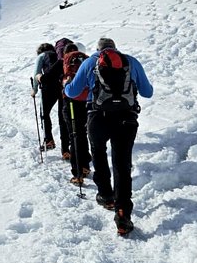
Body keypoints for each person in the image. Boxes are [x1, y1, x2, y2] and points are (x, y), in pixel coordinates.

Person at [64, 37, 153, 236]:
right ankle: (122, 213)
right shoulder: (131, 61)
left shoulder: (89, 63)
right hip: (126, 118)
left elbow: (72, 92)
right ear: (115, 48)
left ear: (98, 49)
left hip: (97, 116)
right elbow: (148, 92)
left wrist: (67, 83)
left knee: (98, 151)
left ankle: (105, 194)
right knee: (122, 162)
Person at [61, 43, 92, 184]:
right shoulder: (86, 60)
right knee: (83, 134)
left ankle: (77, 174)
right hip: (87, 101)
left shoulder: (64, 62)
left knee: (74, 135)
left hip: (72, 102)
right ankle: (85, 166)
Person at [30, 42, 61, 151]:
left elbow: (36, 73)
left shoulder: (41, 56)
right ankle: (67, 147)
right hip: (62, 86)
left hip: (49, 87)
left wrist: (34, 89)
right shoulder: (58, 55)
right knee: (62, 116)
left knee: (44, 114)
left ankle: (49, 141)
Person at [53, 38, 75, 160]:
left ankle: (66, 150)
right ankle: (79, 151)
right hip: (81, 97)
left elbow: (47, 77)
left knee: (63, 121)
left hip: (64, 96)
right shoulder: (83, 59)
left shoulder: (61, 61)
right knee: (79, 125)